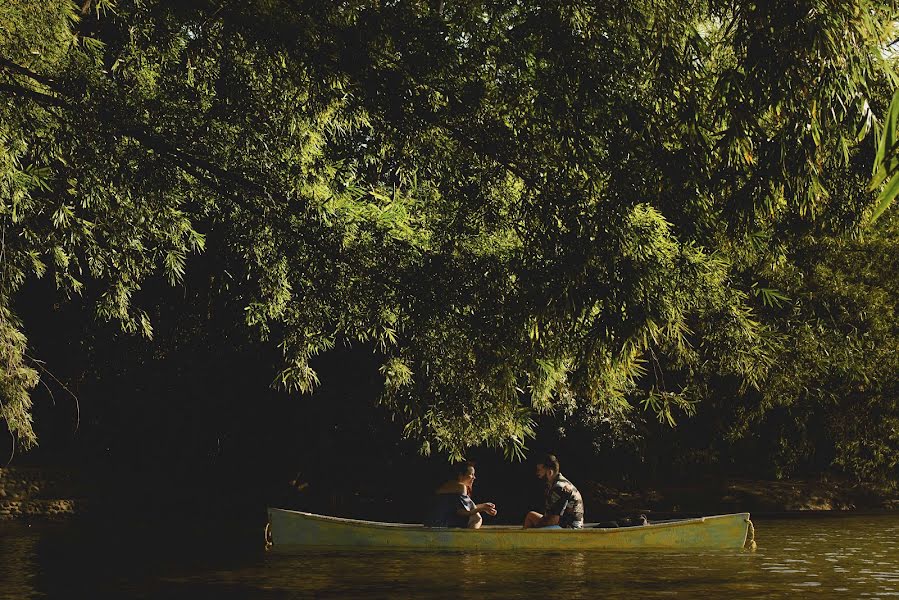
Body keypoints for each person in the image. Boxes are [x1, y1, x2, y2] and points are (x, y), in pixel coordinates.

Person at [424, 462, 498, 528]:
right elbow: (463, 512)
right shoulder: (461, 487)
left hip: (432, 521)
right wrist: (482, 509)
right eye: (471, 474)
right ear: (461, 475)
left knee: (475, 514)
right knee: (476, 517)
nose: (474, 477)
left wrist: (483, 506)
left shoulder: (450, 485)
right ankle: (471, 540)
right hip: (442, 523)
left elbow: (461, 508)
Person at [523, 454, 584, 529]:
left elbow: (554, 520)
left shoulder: (559, 488)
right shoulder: (558, 484)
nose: (537, 474)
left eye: (539, 470)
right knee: (532, 516)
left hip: (569, 530)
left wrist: (535, 527)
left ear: (550, 472)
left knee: (531, 517)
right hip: (568, 527)